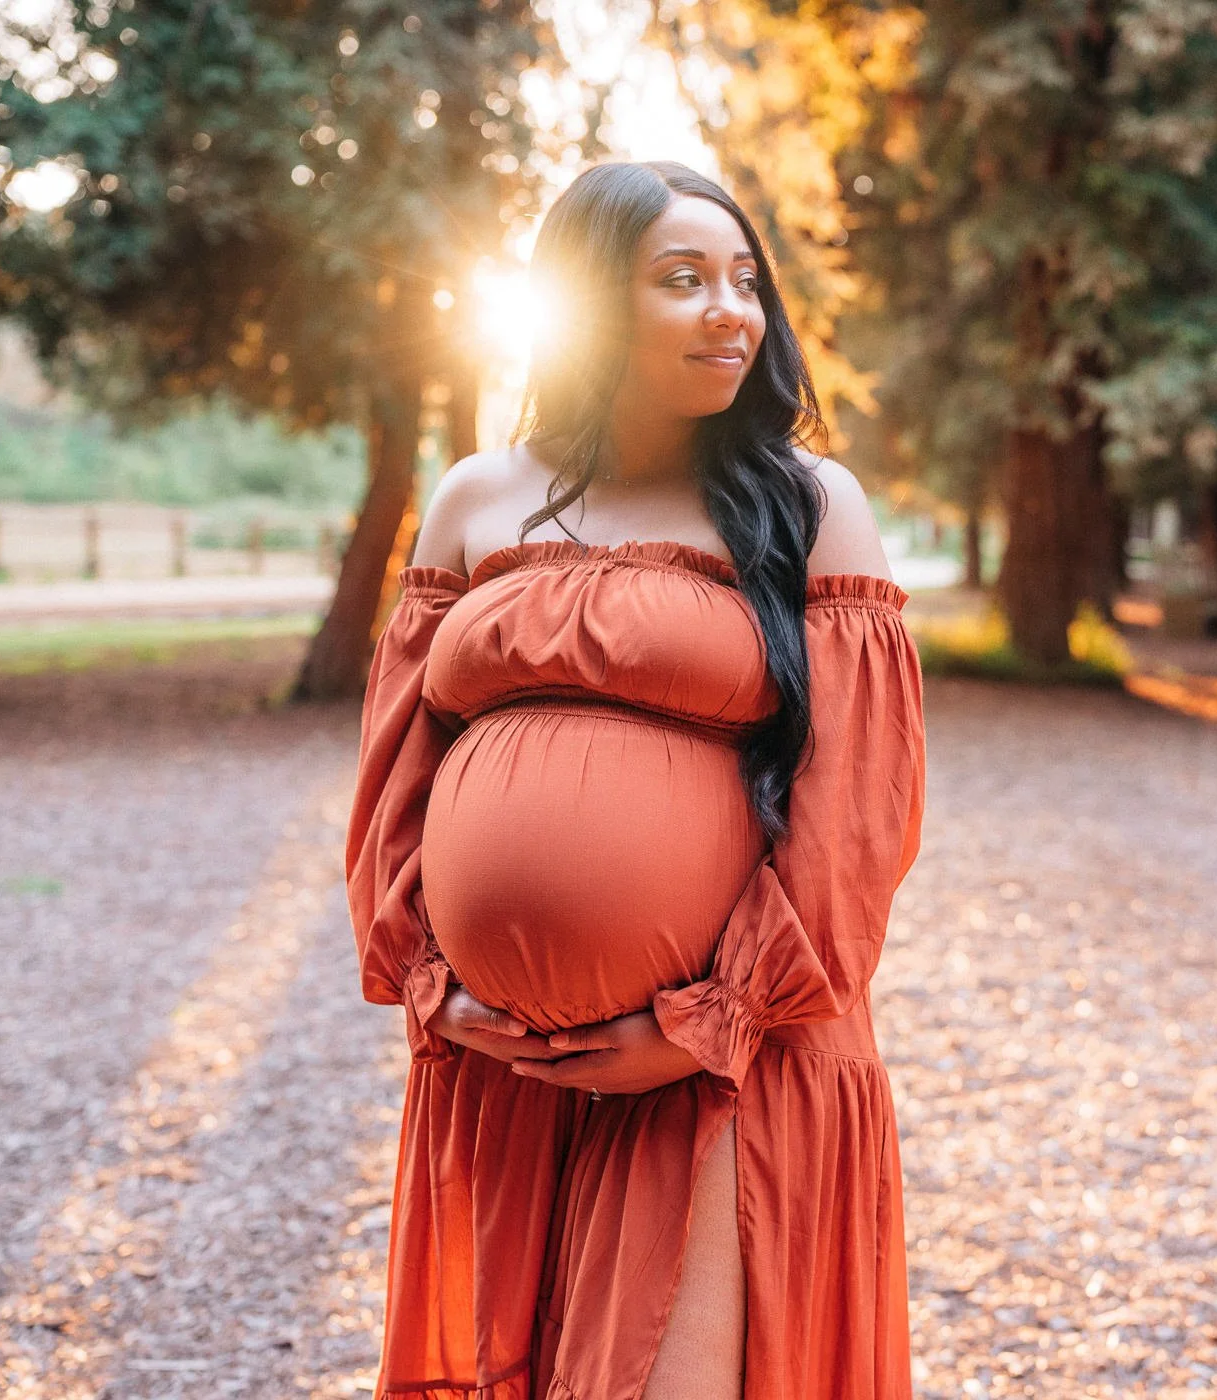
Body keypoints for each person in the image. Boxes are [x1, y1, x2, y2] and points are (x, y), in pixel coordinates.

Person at [345, 159, 929, 1400]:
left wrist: (698, 1023)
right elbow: (396, 776)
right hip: (502, 1065)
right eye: (683, 280)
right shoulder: (476, 496)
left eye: (743, 280)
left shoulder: (812, 505)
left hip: (721, 1060)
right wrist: (441, 990)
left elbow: (855, 815)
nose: (732, 310)